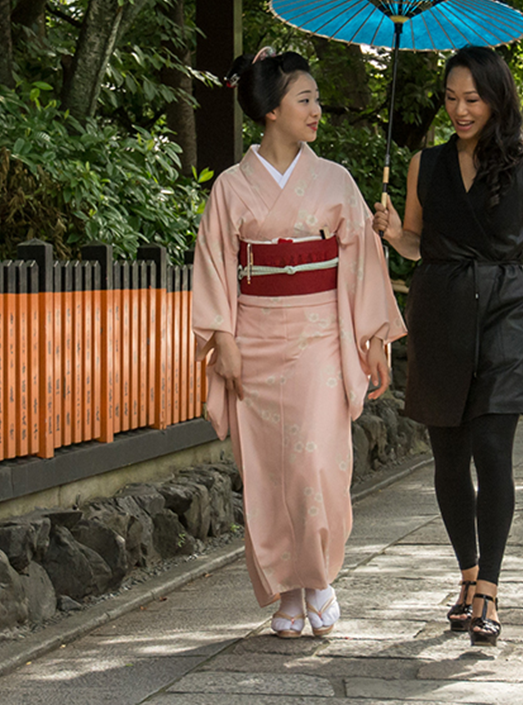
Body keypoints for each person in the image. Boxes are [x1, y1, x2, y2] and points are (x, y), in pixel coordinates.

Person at [192, 48, 406, 639]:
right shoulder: (232, 188)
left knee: (315, 464)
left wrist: (372, 339)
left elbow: (361, 263)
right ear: (270, 110)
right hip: (255, 334)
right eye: (304, 100)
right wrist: (222, 338)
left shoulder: (335, 180)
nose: (316, 110)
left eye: (315, 99)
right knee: (266, 469)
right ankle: (286, 590)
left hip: (318, 335)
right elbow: (214, 265)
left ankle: (319, 578)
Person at [372, 46, 523, 648]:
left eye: (473, 99)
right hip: (438, 309)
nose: (460, 110)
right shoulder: (422, 165)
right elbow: (416, 244)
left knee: (492, 448)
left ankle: (489, 587)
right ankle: (465, 574)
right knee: (448, 457)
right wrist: (390, 232)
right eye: (452, 98)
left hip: (505, 310)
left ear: (496, 98)